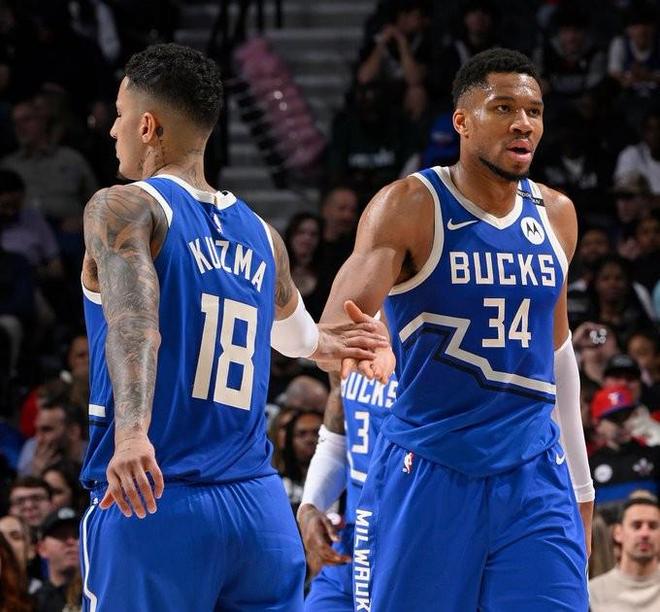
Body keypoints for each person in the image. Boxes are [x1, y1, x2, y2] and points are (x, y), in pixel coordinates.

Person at [78, 43, 389, 611]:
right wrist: (329, 342)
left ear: (147, 126)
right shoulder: (264, 236)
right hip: (259, 513)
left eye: (120, 115)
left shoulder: (123, 207)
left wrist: (132, 435)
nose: (112, 129)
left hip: (156, 493)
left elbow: (133, 321)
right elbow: (296, 338)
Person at [319, 48, 595, 610]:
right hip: (432, 468)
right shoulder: (409, 205)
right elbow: (333, 332)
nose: (523, 123)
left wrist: (581, 490)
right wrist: (363, 346)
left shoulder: (557, 214)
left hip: (534, 473)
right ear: (462, 122)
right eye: (504, 108)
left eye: (534, 111)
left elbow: (559, 355)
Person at [298, 369, 398, 610]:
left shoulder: (427, 355)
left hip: (408, 542)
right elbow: (335, 441)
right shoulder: (345, 349)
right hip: (352, 543)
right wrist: (310, 506)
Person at [589, 497, 660, 611]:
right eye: (636, 526)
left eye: (653, 526)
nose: (645, 533)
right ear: (618, 532)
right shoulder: (593, 593)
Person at [34, 507, 81, 612]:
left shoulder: (100, 592)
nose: (71, 541)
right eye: (61, 535)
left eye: (77, 535)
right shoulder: (33, 603)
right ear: (42, 548)